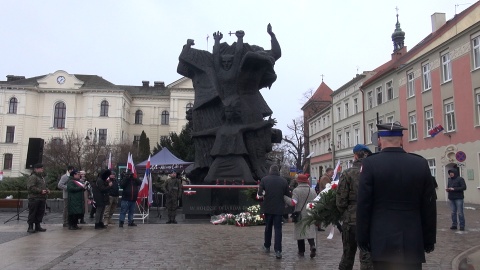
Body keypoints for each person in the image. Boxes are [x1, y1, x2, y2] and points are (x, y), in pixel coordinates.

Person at [356, 122, 436, 269]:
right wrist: (429, 239)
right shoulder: (420, 163)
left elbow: (363, 204)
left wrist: (362, 237)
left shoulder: (370, 164)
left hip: (382, 239)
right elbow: (429, 206)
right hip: (412, 239)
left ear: (379, 140)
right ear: (402, 140)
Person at [336, 144, 373, 270]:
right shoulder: (374, 172)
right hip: (369, 219)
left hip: (350, 221)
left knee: (348, 255)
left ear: (355, 156)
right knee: (367, 257)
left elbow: (340, 200)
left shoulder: (347, 174)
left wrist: (345, 213)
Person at [258, 164, 290, 259]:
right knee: (278, 229)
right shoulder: (283, 181)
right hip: (279, 209)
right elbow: (287, 194)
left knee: (268, 228)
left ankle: (267, 246)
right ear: (278, 171)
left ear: (270, 170)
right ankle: (278, 250)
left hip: (268, 208)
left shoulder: (264, 179)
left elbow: (260, 194)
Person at [284, 174, 317, 258]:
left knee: (300, 233)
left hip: (300, 214)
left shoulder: (296, 190)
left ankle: (301, 251)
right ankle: (312, 246)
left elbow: (293, 202)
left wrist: (285, 198)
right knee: (309, 231)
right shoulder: (312, 190)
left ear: (298, 181)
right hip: (310, 213)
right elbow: (316, 202)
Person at [26, 163, 50, 233]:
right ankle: (30, 227)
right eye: (41, 168)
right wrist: (40, 191)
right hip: (34, 198)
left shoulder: (41, 177)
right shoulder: (33, 177)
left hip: (42, 198)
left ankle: (37, 226)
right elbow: (30, 187)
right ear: (36, 169)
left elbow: (43, 186)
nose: (42, 169)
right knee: (33, 213)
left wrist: (47, 190)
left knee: (40, 213)